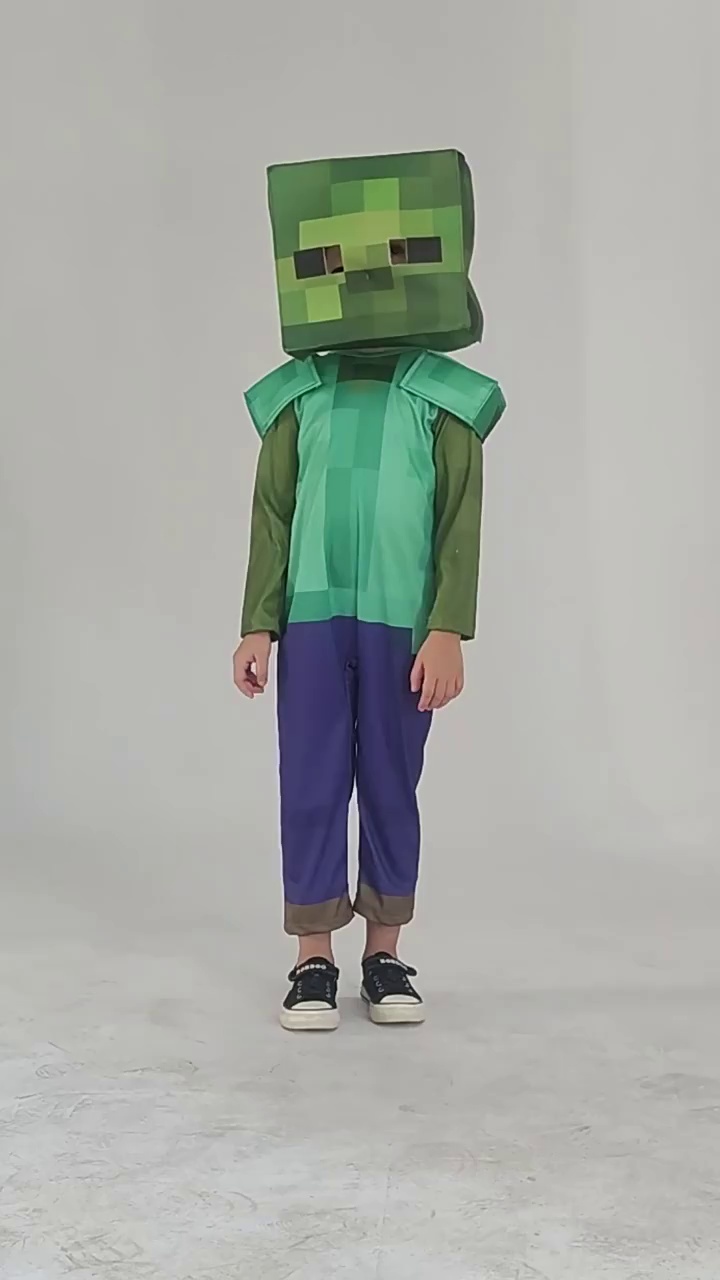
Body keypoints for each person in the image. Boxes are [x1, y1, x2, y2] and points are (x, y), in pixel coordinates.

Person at [233, 149, 506, 1031]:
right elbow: (273, 515)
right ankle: (312, 957)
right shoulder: (299, 397)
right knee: (311, 778)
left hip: (401, 624)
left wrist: (447, 627)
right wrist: (257, 624)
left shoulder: (444, 401)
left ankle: (384, 953)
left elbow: (458, 523)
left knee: (391, 779)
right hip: (313, 621)